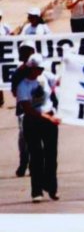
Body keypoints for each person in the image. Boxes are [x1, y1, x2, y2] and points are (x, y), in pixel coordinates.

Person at [16, 53, 60, 202]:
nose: (39, 72)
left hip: (49, 118)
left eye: (41, 69)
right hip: (33, 121)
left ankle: (51, 187)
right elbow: (28, 109)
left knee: (51, 155)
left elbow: (59, 82)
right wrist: (48, 117)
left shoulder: (45, 77)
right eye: (36, 69)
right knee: (36, 156)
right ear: (30, 69)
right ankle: (37, 191)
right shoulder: (23, 86)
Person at [11, 41, 36, 178]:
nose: (26, 54)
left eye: (28, 50)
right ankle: (23, 162)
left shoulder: (40, 68)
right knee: (24, 137)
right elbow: (14, 92)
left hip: (38, 109)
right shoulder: (18, 72)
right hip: (23, 110)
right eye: (24, 51)